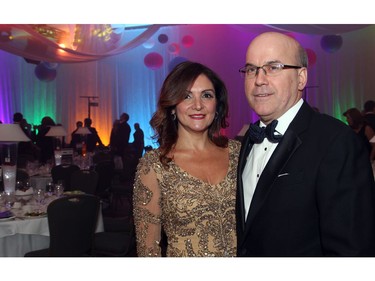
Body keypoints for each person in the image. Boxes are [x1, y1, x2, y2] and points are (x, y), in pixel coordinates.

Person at [236, 32, 375, 257]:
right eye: (252, 69)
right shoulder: (247, 142)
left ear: (301, 78)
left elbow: (352, 251)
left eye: (273, 67)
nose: (259, 80)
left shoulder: (336, 141)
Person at [133, 61, 241, 257]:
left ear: (217, 105)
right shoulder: (154, 166)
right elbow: (148, 250)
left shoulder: (238, 153)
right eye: (186, 96)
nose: (198, 105)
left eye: (206, 95)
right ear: (173, 106)